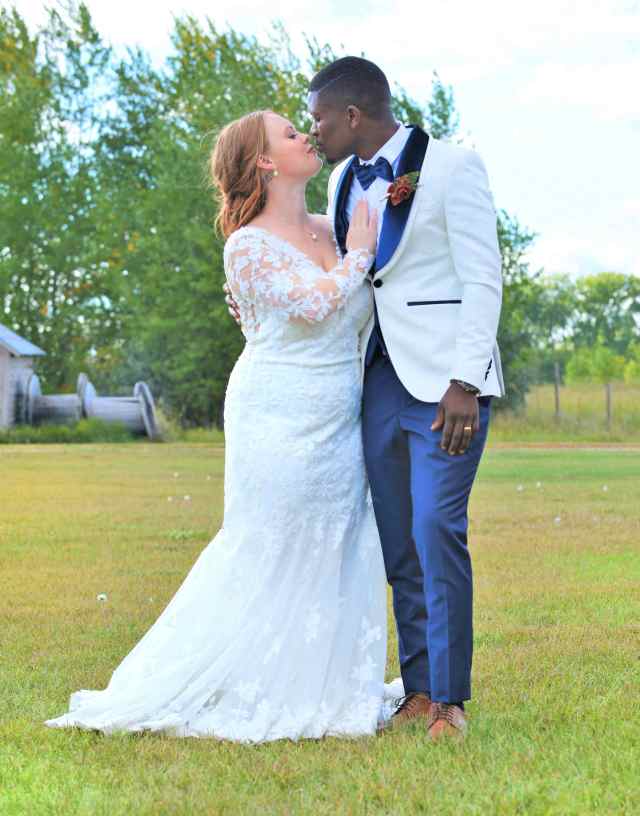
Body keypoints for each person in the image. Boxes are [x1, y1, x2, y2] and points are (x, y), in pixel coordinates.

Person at [44, 110, 395, 743]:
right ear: (264, 161)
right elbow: (316, 305)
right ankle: (243, 680)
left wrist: (362, 249)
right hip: (277, 415)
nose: (306, 138)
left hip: (340, 415)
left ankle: (323, 679)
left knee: (336, 540)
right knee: (271, 541)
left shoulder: (335, 228)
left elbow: (363, 306)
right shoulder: (248, 245)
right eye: (289, 134)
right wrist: (363, 255)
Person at [226, 57, 504, 740]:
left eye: (316, 118)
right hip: (375, 381)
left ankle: (450, 702)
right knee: (398, 540)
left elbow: (483, 278)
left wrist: (465, 381)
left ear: (351, 115)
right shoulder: (348, 179)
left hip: (447, 387)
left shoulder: (452, 166)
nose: (313, 132)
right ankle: (416, 688)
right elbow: (333, 271)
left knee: (438, 528)